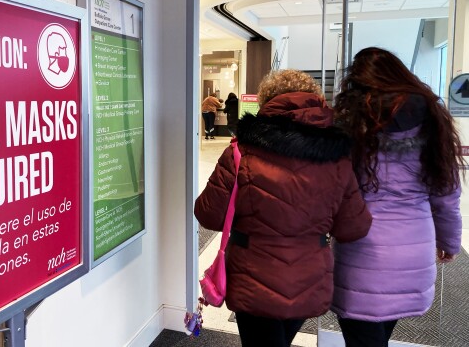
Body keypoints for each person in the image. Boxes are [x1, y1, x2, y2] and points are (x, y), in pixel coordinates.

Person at [194, 69, 373, 347]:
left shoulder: (241, 152)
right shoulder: (337, 157)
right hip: (308, 277)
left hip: (253, 277)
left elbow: (208, 214)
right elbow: (354, 227)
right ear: (315, 101)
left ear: (266, 102)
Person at [331, 47, 465, 347]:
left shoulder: (350, 120)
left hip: (361, 249)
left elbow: (334, 185)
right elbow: (446, 194)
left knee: (363, 338)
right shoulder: (432, 118)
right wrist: (449, 242)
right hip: (414, 247)